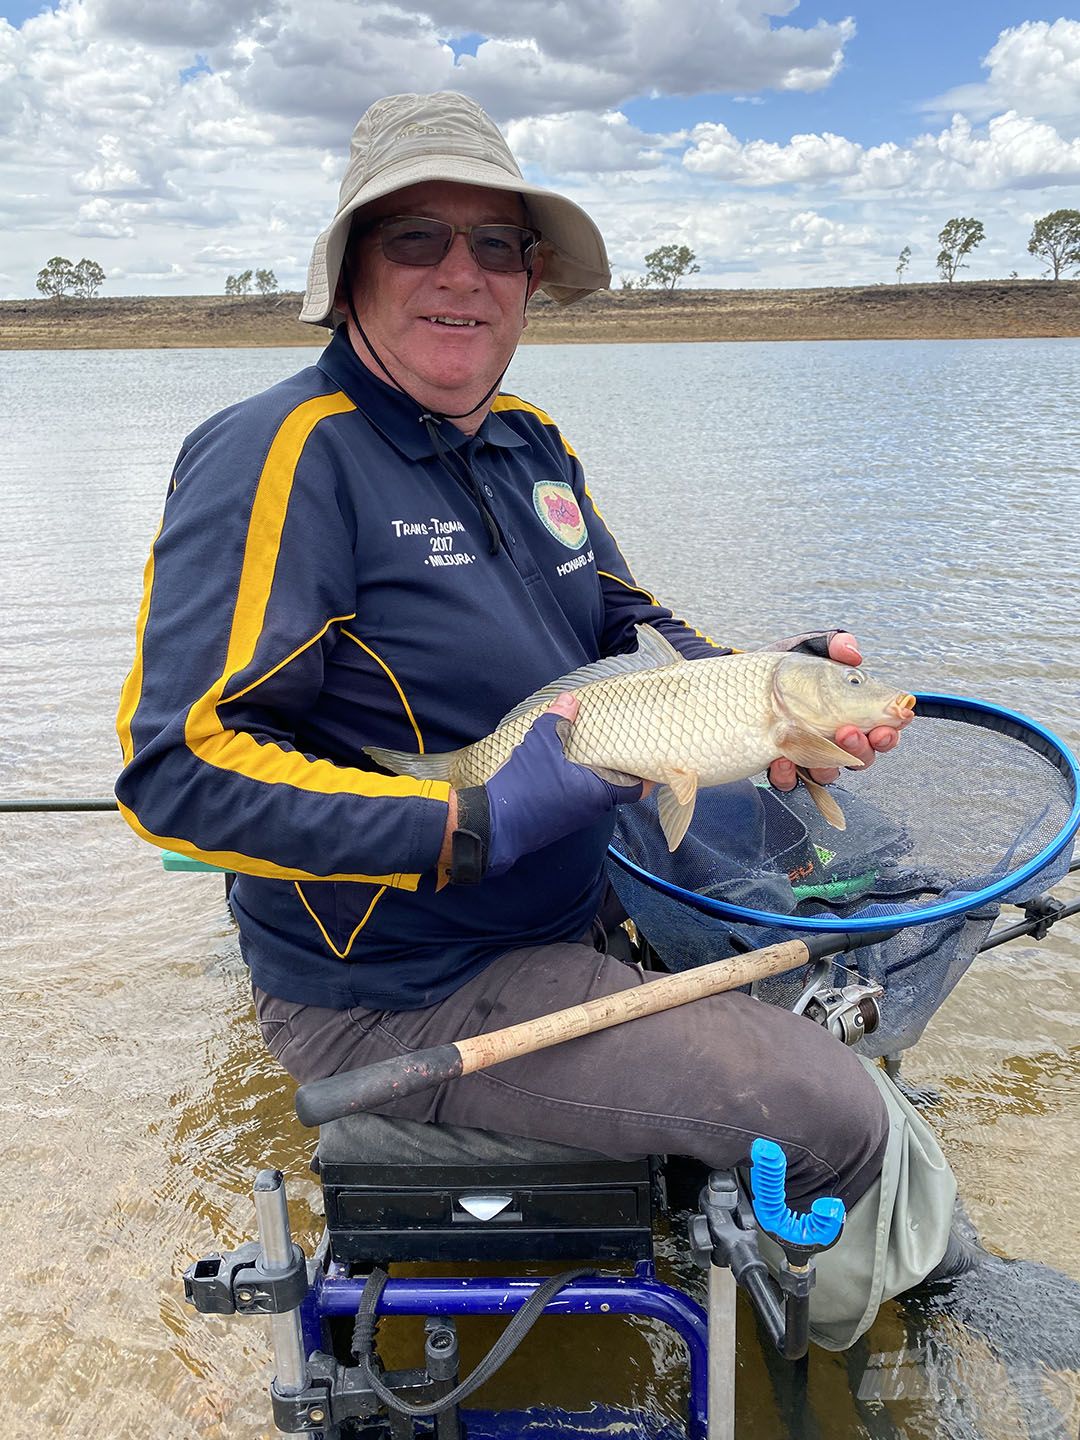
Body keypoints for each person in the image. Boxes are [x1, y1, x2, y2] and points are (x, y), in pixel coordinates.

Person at [116, 91, 956, 1350]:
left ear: (531, 279)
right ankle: (889, 1304)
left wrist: (781, 688)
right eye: (418, 240)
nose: (464, 275)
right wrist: (471, 816)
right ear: (349, 269)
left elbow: (647, 627)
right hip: (403, 983)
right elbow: (179, 773)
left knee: (829, 871)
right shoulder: (280, 454)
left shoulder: (527, 442)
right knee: (829, 1108)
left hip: (567, 906)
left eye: (499, 245)